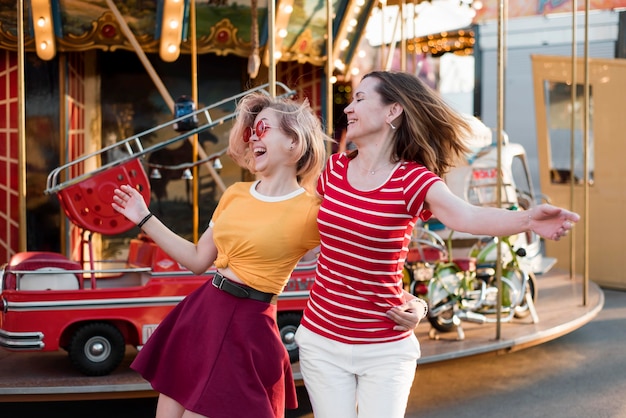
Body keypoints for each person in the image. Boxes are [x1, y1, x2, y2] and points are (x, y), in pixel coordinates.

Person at [294, 70, 580, 418]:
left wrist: (527, 219)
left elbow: (467, 216)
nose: (348, 109)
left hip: (384, 346)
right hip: (322, 339)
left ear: (392, 111)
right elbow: (304, 234)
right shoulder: (334, 170)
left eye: (360, 99)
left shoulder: (411, 179)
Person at [111, 91, 329, 418]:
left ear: (294, 142)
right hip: (203, 313)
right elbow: (199, 259)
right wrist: (144, 217)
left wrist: (401, 297)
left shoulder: (312, 211)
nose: (253, 136)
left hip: (249, 325)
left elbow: (357, 251)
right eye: (251, 131)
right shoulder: (235, 194)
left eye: (264, 128)